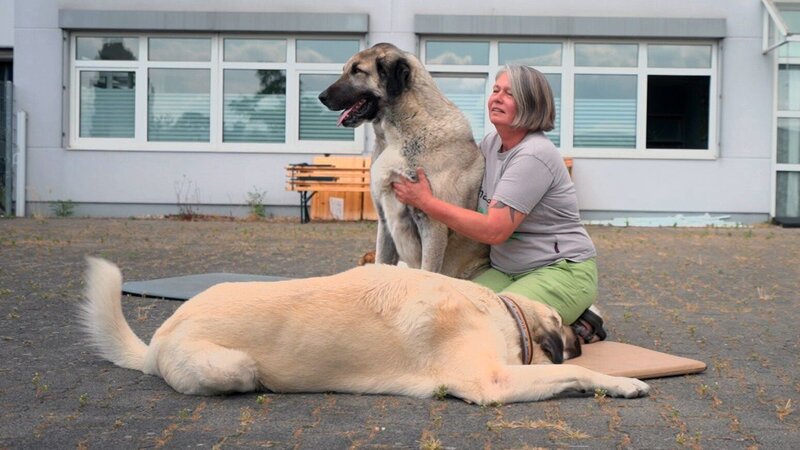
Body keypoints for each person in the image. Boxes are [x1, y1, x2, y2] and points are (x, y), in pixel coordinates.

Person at [392, 64, 605, 343]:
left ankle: (577, 324)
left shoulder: (533, 155)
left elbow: (494, 230)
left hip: (560, 270)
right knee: (451, 313)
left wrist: (426, 202)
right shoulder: (492, 144)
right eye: (495, 90)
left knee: (490, 328)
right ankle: (563, 317)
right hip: (508, 271)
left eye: (509, 94)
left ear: (531, 103)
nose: (497, 98)